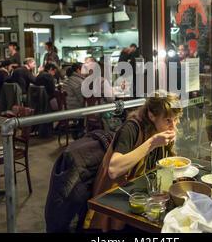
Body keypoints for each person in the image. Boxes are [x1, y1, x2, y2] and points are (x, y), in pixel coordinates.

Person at [84, 92, 182, 232]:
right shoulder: (131, 128)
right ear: (151, 116)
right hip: (118, 200)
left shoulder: (160, 129)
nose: (173, 125)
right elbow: (113, 170)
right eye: (168, 120)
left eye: (176, 119)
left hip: (145, 195)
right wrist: (152, 143)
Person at [62, 62, 85, 139]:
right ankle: (82, 133)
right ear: (78, 70)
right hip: (74, 108)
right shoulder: (78, 81)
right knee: (92, 111)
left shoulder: (68, 78)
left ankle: (79, 130)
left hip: (67, 107)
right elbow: (82, 99)